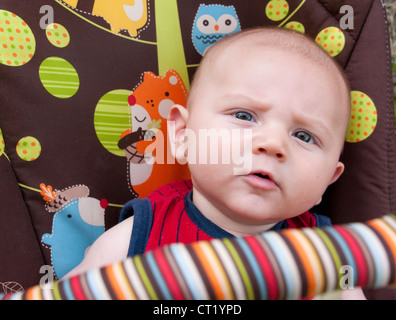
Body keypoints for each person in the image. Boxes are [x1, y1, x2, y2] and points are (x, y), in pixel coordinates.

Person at [64, 27, 365, 299]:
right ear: (182, 136)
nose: (273, 144)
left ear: (329, 179)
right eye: (244, 116)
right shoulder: (139, 239)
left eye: (304, 135)